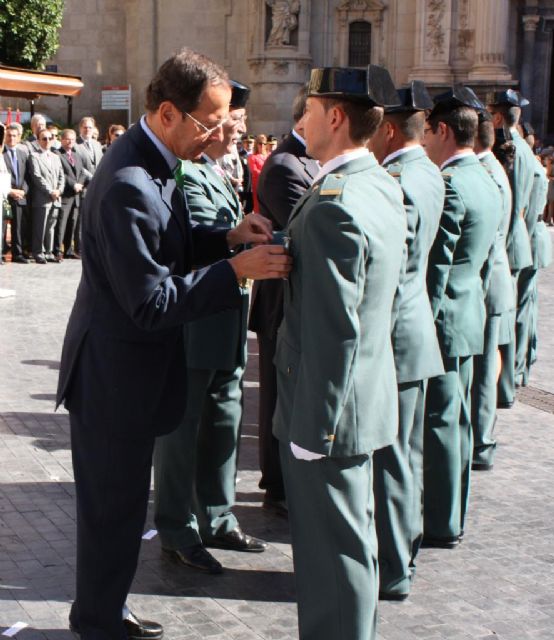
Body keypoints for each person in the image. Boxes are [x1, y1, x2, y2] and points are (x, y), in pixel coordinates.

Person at [56, 48, 291, 640]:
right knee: (112, 511)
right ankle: (99, 621)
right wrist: (237, 271)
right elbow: (152, 301)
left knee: (122, 507)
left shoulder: (153, 159)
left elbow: (171, 244)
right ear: (167, 112)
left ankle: (102, 611)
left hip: (128, 371)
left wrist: (226, 237)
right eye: (209, 122)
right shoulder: (131, 181)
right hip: (113, 376)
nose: (217, 133)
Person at [273, 65, 406, 640]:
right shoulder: (376, 184)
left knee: (331, 557)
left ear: (335, 117)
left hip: (327, 413)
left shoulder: (333, 201)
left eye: (308, 107)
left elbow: (335, 329)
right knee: (352, 544)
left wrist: (313, 432)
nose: (299, 117)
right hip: (364, 399)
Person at [154, 80, 266, 576]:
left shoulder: (215, 170)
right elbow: (202, 240)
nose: (240, 130)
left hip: (227, 320)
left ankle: (218, 518)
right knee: (183, 432)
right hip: (197, 323)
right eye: (234, 122)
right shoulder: (186, 173)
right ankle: (178, 528)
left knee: (225, 422)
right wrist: (239, 240)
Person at [369, 80, 445, 600]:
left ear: (390, 130)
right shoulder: (429, 171)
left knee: (393, 462)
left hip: (395, 339)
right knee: (406, 457)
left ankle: (393, 568)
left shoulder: (396, 177)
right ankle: (404, 552)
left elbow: (390, 270)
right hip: (416, 334)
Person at [423, 85, 500, 548]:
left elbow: (438, 267)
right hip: (471, 314)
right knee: (459, 422)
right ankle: (453, 513)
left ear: (445, 131)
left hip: (446, 322)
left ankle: (441, 520)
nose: (426, 139)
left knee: (440, 423)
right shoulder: (485, 179)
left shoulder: (451, 184)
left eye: (429, 130)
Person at [248, 83, 318, 516]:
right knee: (275, 393)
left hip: (294, 297)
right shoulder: (284, 165)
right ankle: (275, 483)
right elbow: (304, 230)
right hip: (278, 300)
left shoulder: (310, 160)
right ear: (303, 117)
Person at [471, 113, 515, 471]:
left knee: (485, 367)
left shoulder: (483, 173)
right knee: (487, 362)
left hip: (486, 283)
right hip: (495, 279)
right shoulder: (492, 168)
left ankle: (481, 441)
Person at [487, 90, 533, 408]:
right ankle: (512, 378)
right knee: (512, 317)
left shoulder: (510, 150)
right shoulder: (526, 149)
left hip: (510, 241)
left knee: (504, 321)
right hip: (520, 238)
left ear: (498, 117)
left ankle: (506, 384)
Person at [28, 127, 65, 264]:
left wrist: (59, 190)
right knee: (40, 226)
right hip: (43, 198)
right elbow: (37, 177)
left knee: (51, 227)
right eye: (44, 138)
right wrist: (50, 191)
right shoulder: (34, 156)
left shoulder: (56, 157)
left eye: (50, 138)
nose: (48, 141)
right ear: (38, 140)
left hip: (56, 198)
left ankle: (48, 252)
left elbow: (62, 176)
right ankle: (38, 252)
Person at [55, 129, 88, 261]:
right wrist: (73, 184)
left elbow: (82, 172)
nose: (70, 142)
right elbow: (61, 173)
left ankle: (68, 250)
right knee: (61, 224)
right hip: (65, 194)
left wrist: (79, 184)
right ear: (62, 139)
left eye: (73, 139)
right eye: (68, 139)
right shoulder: (57, 154)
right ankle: (57, 250)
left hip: (76, 195)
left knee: (72, 223)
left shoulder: (76, 155)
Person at [3, 123, 31, 263]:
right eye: (9, 135)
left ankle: (17, 253)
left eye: (14, 136)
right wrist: (11, 191)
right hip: (5, 196)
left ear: (19, 137)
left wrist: (23, 191)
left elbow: (27, 176)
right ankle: (2, 253)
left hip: (20, 196)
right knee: (2, 227)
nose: (11, 138)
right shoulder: (1, 153)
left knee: (19, 227)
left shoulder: (22, 154)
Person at [247, 134, 268, 212]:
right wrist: (266, 175)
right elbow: (254, 171)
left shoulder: (268, 156)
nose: (262, 145)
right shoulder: (252, 157)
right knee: (258, 204)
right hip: (258, 183)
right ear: (256, 144)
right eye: (260, 143)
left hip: (268, 183)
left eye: (264, 143)